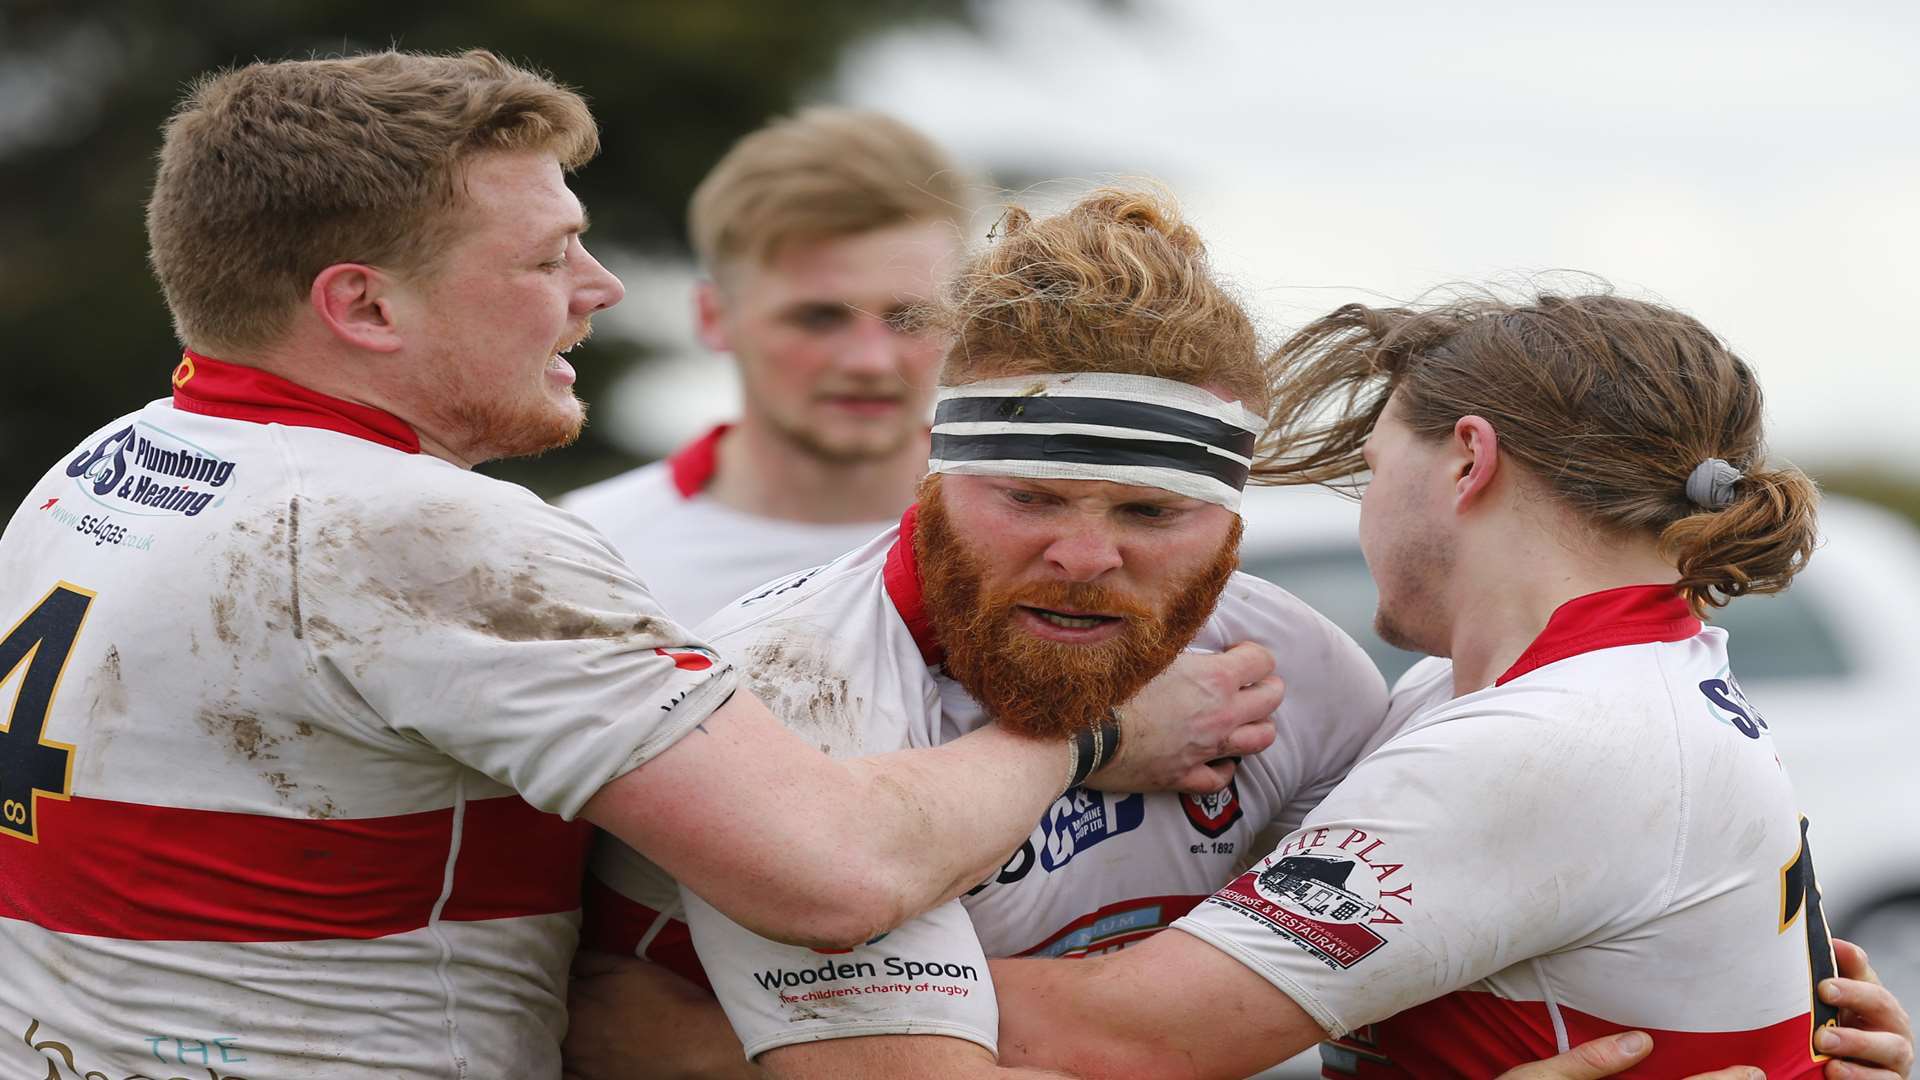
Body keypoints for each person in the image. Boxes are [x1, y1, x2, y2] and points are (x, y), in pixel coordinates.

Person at [0, 51, 1282, 1080]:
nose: (601, 287)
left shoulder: (105, 463)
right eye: (546, 257)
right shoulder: (410, 531)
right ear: (366, 307)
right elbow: (831, 876)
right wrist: (1089, 737)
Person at [565, 192, 1917, 1080]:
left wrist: (688, 1038)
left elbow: (1154, 1038)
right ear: (930, 478)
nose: (1086, 553)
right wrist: (1084, 745)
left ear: (1465, 464)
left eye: (1152, 511)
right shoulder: (794, 692)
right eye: (1028, 496)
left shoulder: (1322, 682)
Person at [967, 289, 1913, 1077]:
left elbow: (1115, 1036)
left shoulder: (1554, 737)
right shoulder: (1557, 687)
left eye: (1372, 467)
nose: (1368, 504)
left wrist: (831, 940)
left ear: (1468, 459)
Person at [560, 107, 965, 624]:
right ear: (714, 317)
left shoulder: (1047, 545)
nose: (871, 361)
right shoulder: (587, 553)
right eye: (819, 318)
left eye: (910, 318)